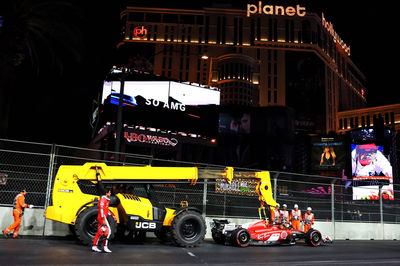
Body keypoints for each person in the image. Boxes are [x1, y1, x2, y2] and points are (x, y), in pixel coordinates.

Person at [92, 189, 113, 253]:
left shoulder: (106, 199)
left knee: (100, 232)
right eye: (109, 192)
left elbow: (106, 209)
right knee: (108, 232)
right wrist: (102, 217)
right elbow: (101, 208)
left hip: (103, 217)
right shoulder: (103, 199)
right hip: (102, 217)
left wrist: (112, 215)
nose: (110, 194)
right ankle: (105, 247)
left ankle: (94, 246)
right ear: (106, 193)